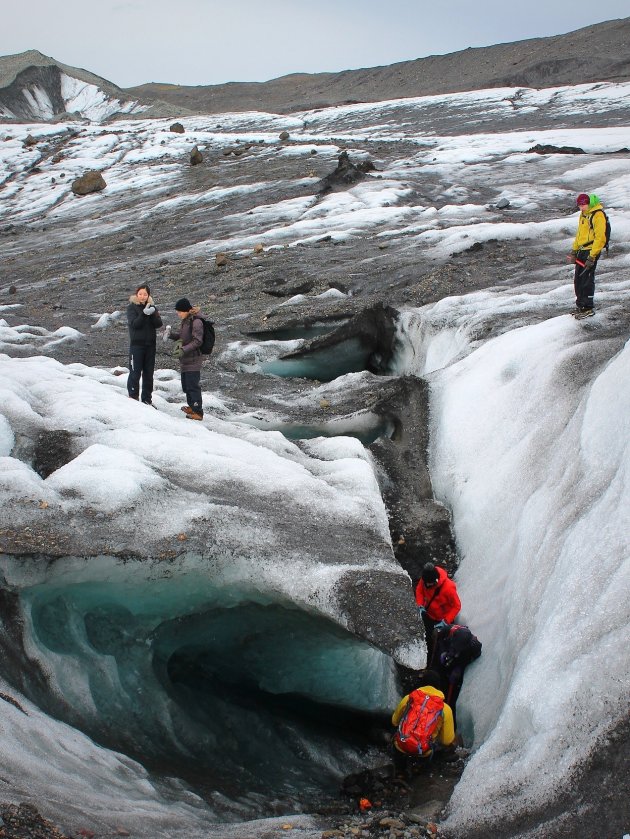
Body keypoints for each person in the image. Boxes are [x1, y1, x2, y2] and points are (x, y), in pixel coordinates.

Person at [391, 670, 456, 776]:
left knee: (397, 747)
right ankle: (418, 771)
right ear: (438, 686)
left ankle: (400, 772)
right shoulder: (445, 709)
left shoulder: (409, 698)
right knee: (431, 753)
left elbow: (394, 721)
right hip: (423, 752)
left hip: (401, 746)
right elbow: (446, 741)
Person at [429, 623, 482, 726]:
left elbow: (475, 654)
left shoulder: (474, 645)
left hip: (456, 665)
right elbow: (436, 645)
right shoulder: (447, 632)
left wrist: (460, 667)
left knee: (450, 696)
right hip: (446, 659)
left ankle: (445, 716)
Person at [567, 193, 607, 319]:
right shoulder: (584, 214)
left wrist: (592, 256)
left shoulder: (598, 215)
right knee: (578, 279)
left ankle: (588, 307)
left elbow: (600, 238)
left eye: (583, 205)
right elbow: (580, 234)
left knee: (587, 279)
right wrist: (574, 251)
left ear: (589, 203)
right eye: (579, 205)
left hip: (591, 250)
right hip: (582, 250)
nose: (581, 208)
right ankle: (581, 305)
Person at [166, 297, 207, 421]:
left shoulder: (196, 322)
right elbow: (182, 336)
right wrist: (171, 335)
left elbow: (197, 341)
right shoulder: (186, 320)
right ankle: (191, 406)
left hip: (193, 359)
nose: (178, 314)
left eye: (179, 311)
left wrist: (184, 350)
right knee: (186, 385)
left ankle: (198, 412)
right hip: (185, 359)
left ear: (186, 310)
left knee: (193, 386)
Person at [415, 562, 461, 665]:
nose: (427, 585)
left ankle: (437, 663)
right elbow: (419, 591)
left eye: (429, 584)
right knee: (428, 639)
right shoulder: (425, 579)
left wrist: (446, 621)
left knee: (440, 643)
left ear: (435, 580)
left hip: (442, 620)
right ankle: (427, 659)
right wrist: (420, 604)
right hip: (429, 615)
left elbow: (457, 606)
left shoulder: (448, 588)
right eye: (426, 583)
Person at [126, 283, 162, 406]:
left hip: (150, 346)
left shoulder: (152, 307)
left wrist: (152, 314)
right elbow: (135, 324)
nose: (142, 296)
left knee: (148, 374)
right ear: (137, 294)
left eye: (145, 294)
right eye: (140, 294)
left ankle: (147, 400)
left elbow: (158, 324)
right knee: (135, 373)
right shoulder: (131, 308)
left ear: (148, 295)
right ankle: (133, 397)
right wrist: (144, 314)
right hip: (137, 346)